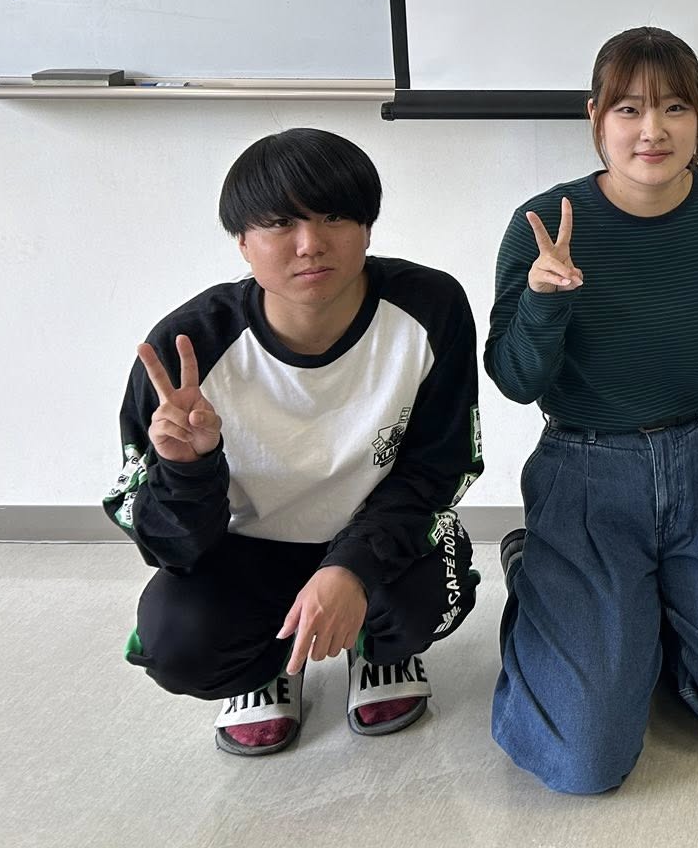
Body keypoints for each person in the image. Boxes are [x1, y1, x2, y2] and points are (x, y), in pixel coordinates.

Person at [487, 26, 698, 794]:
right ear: (595, 116)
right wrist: (541, 299)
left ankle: (655, 610)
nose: (653, 130)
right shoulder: (545, 223)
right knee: (585, 762)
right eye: (629, 109)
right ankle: (537, 575)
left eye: (674, 107)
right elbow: (513, 379)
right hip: (586, 470)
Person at [105, 128, 483, 755]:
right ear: (242, 242)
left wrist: (351, 567)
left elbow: (437, 466)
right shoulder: (187, 349)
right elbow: (169, 548)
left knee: (427, 598)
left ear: (367, 227)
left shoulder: (429, 307)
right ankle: (268, 669)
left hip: (379, 538)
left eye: (334, 217)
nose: (310, 244)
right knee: (178, 643)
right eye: (280, 223)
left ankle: (378, 651)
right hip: (245, 551)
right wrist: (187, 470)